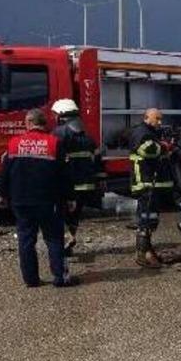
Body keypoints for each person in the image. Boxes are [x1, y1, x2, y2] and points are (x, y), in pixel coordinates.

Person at [0, 109, 79, 288]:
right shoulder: (54, 143)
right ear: (45, 123)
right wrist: (71, 198)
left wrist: (1, 194)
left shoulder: (14, 144)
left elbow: (5, 172)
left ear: (27, 123)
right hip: (49, 201)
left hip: (21, 201)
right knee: (54, 239)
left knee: (26, 240)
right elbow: (65, 175)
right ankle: (60, 277)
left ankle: (31, 280)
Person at [51, 99, 103, 255]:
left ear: (61, 115)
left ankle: (64, 242)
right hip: (86, 185)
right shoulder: (87, 137)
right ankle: (70, 238)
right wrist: (100, 180)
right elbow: (98, 161)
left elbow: (53, 158)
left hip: (68, 185)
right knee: (74, 215)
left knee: (60, 214)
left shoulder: (59, 133)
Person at [129, 108, 174, 268]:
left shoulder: (149, 132)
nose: (160, 122)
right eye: (157, 119)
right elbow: (148, 149)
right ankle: (142, 255)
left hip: (150, 182)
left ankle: (149, 253)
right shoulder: (141, 132)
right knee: (146, 219)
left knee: (150, 218)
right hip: (145, 181)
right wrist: (164, 146)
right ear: (147, 117)